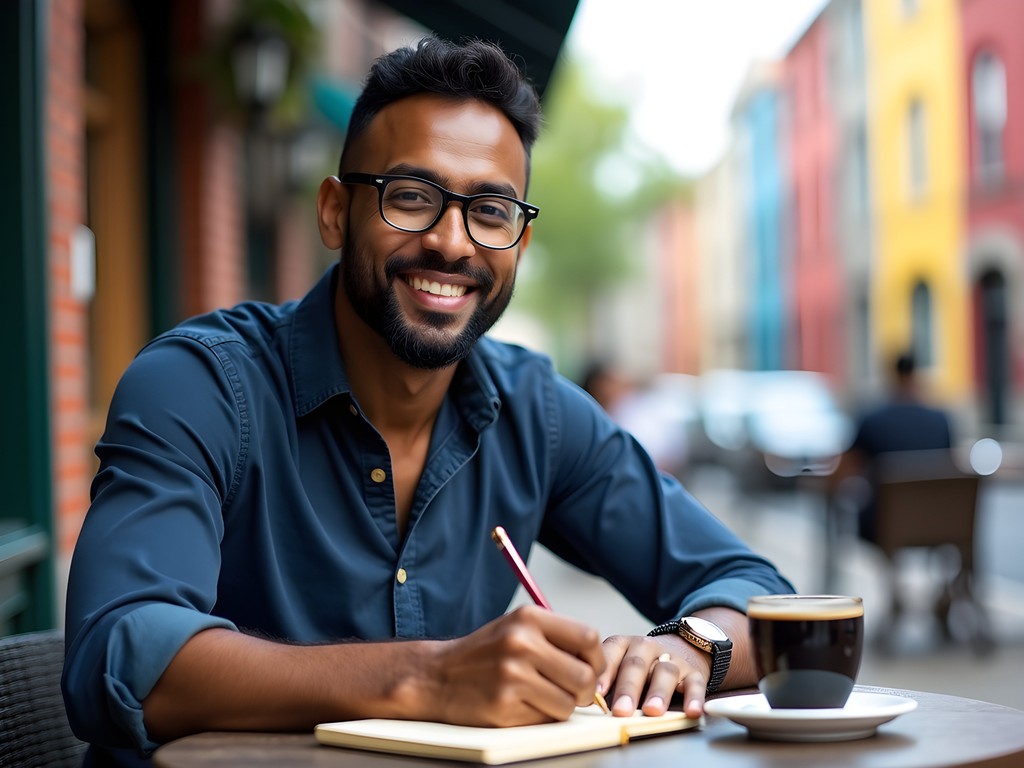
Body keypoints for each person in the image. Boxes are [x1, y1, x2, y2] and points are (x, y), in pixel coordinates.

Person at [62, 37, 794, 766]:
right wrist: (425, 675)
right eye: (412, 198)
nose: (452, 243)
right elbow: (120, 656)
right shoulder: (200, 385)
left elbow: (764, 601)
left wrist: (690, 648)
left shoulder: (535, 411)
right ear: (333, 212)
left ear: (521, 242)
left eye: (491, 211)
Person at [836, 351, 955, 542]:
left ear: (892, 376)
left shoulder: (872, 420)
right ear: (916, 376)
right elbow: (950, 465)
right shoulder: (941, 420)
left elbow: (847, 468)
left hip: (884, 525)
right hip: (936, 523)